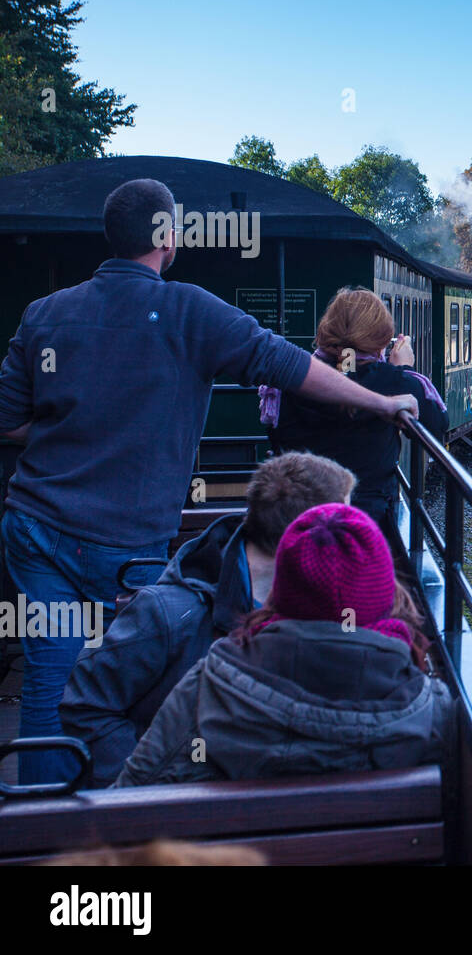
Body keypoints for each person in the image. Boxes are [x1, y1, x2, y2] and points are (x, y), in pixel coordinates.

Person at [0, 178, 418, 785]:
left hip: (36, 526)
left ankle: (39, 821)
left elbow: (8, 419)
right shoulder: (191, 311)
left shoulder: (45, 313)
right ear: (168, 239)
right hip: (127, 540)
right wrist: (381, 403)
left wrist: (78, 428)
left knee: (50, 676)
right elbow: (291, 366)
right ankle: (130, 815)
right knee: (141, 682)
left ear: (111, 238)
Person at [60, 452, 357, 787]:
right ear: (301, 538)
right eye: (343, 524)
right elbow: (86, 705)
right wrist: (142, 791)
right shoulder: (170, 614)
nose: (353, 538)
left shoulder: (328, 603)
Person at [114, 504, 454, 787]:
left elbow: (133, 795)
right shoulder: (431, 711)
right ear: (384, 596)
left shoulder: (209, 684)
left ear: (281, 592)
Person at [263, 287, 447, 562]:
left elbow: (275, 434)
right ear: (381, 339)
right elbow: (437, 425)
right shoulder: (397, 382)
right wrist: (405, 369)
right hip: (368, 524)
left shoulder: (290, 380)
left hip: (295, 522)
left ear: (326, 331)